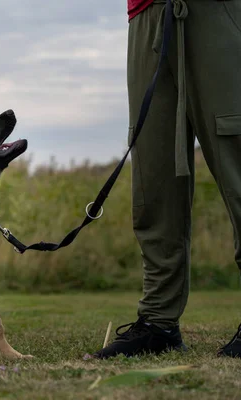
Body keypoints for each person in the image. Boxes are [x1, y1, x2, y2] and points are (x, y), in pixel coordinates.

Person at [94, 0, 241, 359]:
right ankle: (159, 323)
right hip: (145, 15)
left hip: (216, 10)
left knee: (235, 155)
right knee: (153, 174)